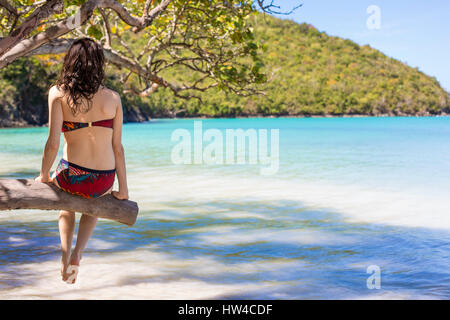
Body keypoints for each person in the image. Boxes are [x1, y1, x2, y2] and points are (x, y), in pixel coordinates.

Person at [35, 38, 129, 284]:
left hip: (72, 177)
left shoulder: (58, 93)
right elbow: (117, 148)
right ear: (99, 64)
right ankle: (79, 253)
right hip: (104, 179)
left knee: (68, 206)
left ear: (70, 61)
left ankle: (66, 254)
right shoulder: (113, 98)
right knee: (93, 203)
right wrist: (124, 190)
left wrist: (44, 176)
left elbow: (53, 143)